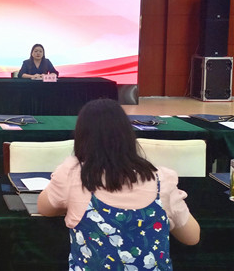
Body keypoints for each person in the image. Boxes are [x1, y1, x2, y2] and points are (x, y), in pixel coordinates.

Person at [37, 99, 200, 270]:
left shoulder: (72, 173)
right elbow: (192, 237)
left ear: (81, 137)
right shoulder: (162, 180)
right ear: (128, 135)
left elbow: (45, 208)